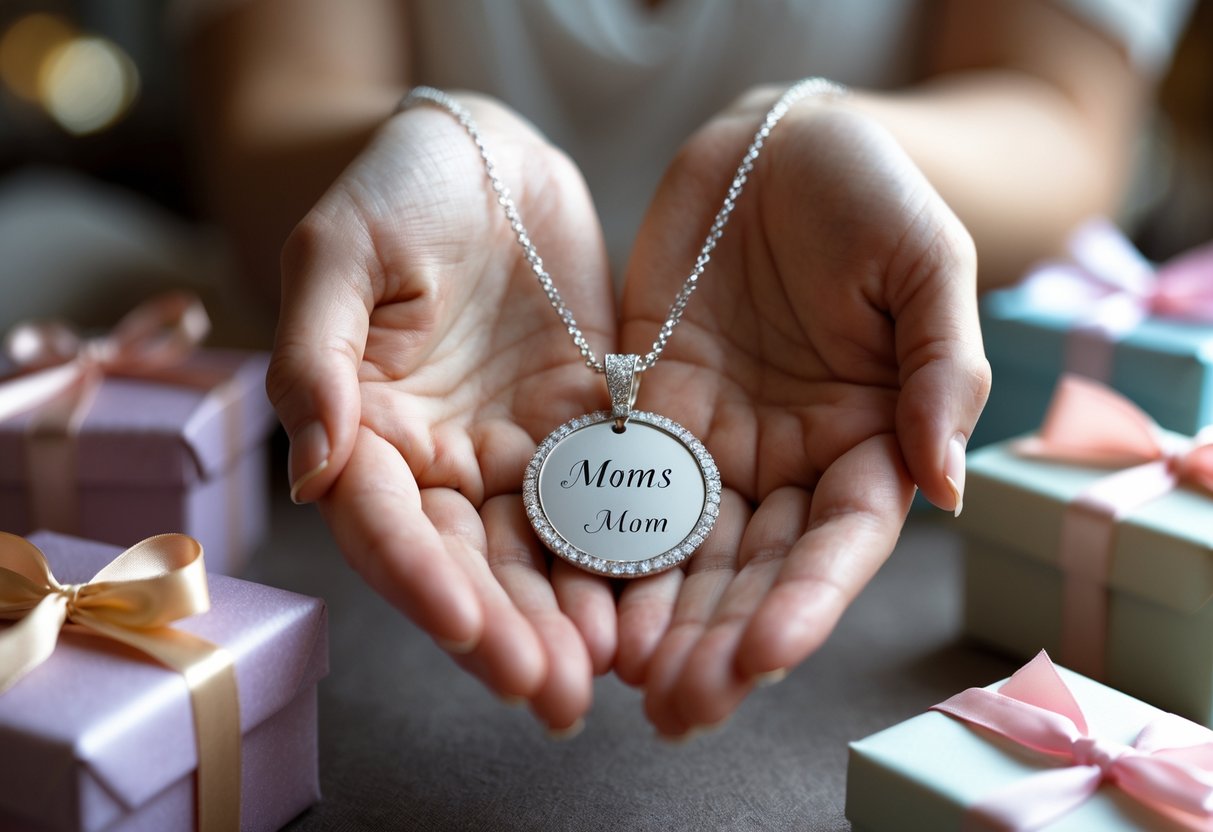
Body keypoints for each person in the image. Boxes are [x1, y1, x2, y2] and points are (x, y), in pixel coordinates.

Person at [183, 0, 1193, 738]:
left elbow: (1061, 112)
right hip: (421, 379)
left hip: (828, 383)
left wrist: (845, 145)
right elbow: (268, 114)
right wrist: (441, 139)